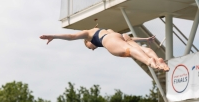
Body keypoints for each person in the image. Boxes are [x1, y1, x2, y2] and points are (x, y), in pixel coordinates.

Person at [40, 27, 169, 72]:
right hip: (120, 36)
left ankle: (150, 62)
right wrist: (145, 39)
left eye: (89, 47)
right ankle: (157, 59)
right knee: (140, 49)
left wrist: (54, 36)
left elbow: (72, 36)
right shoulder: (107, 30)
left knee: (129, 51)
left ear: (88, 42)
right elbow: (127, 39)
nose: (92, 49)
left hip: (110, 39)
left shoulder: (89, 34)